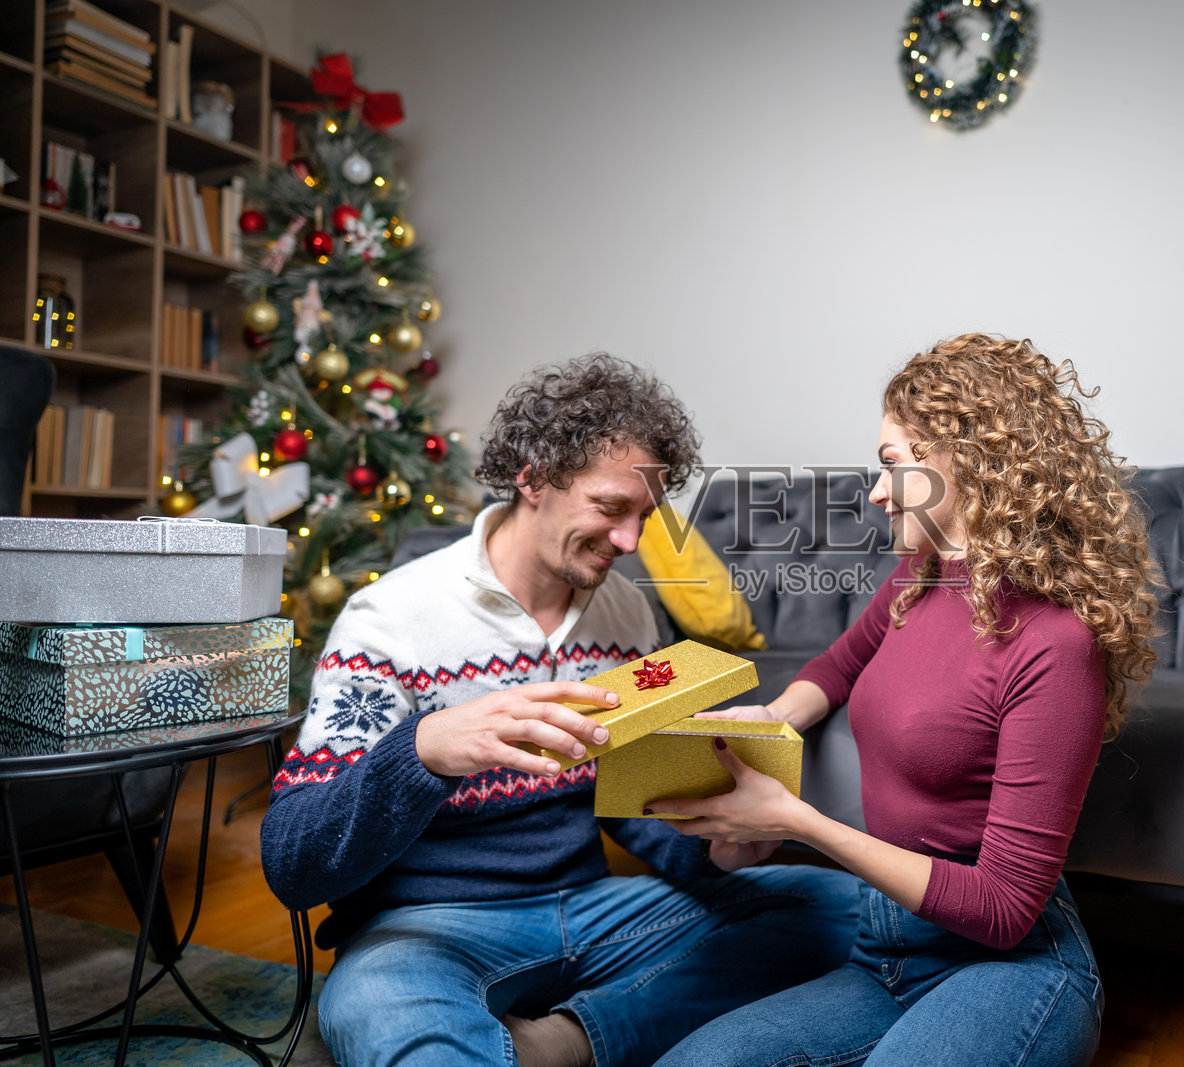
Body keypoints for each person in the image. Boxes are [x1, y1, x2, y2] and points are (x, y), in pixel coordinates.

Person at [260, 354, 858, 1067]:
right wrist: (422, 752)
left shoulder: (627, 613)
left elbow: (632, 802)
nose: (632, 542)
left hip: (591, 906)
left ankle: (564, 1041)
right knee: (386, 1013)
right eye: (611, 508)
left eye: (646, 516)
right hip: (430, 925)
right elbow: (293, 861)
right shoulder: (390, 619)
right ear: (533, 474)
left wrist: (715, 844)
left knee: (847, 909)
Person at [650, 334, 1162, 1067]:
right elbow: (840, 663)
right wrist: (773, 717)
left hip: (1010, 967)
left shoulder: (1056, 641)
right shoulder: (922, 578)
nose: (878, 491)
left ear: (968, 461)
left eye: (892, 465)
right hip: (885, 947)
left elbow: (1006, 909)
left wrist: (797, 821)